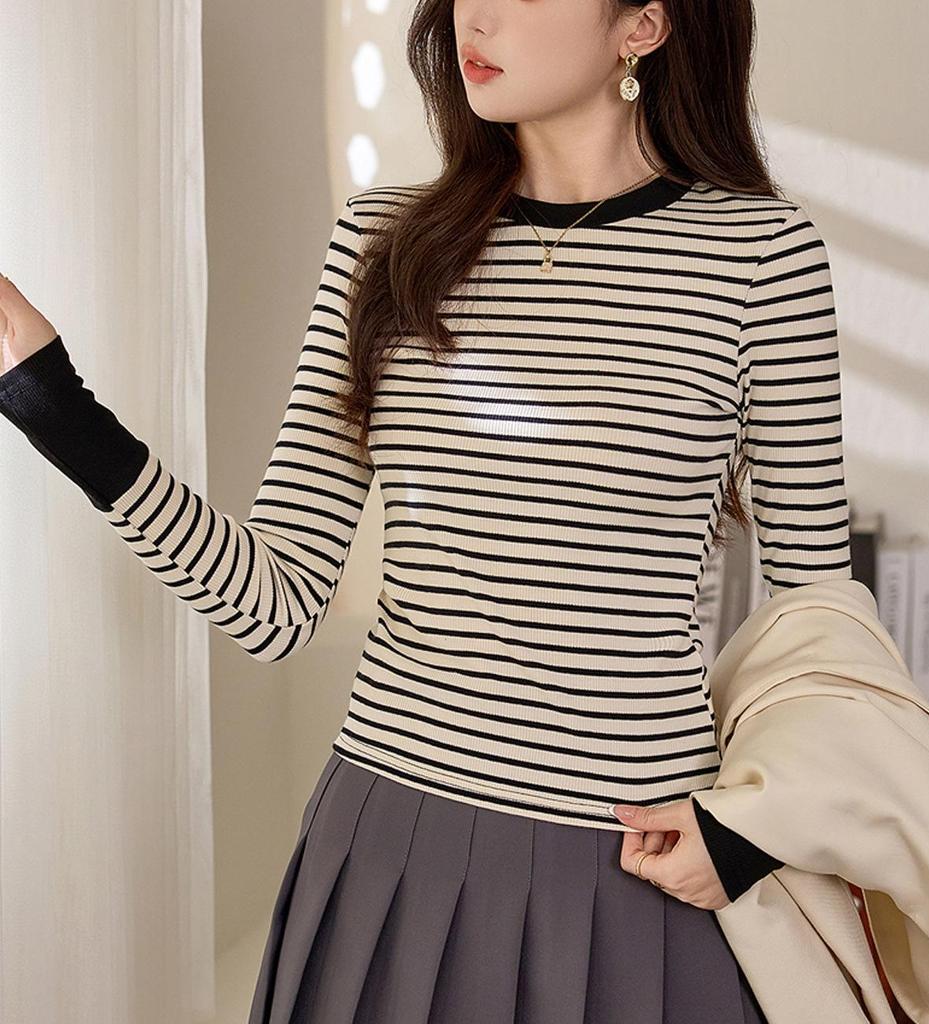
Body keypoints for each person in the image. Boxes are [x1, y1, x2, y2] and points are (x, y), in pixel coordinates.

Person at [0, 0, 854, 1019]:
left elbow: (820, 626)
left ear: (644, 26)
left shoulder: (759, 253)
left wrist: (749, 836)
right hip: (393, 846)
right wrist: (51, 402)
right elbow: (273, 604)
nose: (472, 16)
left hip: (641, 860)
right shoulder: (384, 241)